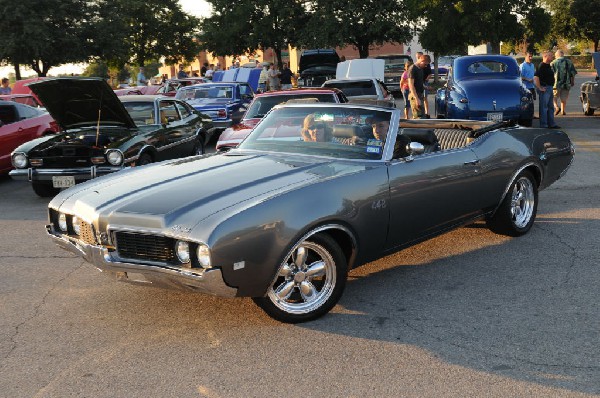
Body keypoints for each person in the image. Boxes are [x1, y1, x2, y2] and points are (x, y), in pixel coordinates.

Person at [534, 50, 560, 129]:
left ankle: (551, 124)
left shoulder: (549, 65)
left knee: (550, 107)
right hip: (545, 89)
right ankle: (544, 125)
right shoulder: (541, 66)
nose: (552, 57)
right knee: (544, 108)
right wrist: (539, 87)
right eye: (551, 55)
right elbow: (536, 77)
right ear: (546, 56)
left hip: (549, 88)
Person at [551, 49, 577, 116]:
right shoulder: (569, 62)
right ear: (563, 55)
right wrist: (572, 81)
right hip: (566, 83)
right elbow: (573, 73)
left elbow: (551, 73)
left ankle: (556, 107)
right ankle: (563, 110)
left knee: (554, 97)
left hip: (556, 84)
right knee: (564, 98)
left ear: (556, 55)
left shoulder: (553, 62)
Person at [408, 53, 428, 119]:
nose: (425, 66)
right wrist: (416, 99)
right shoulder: (412, 69)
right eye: (425, 64)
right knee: (418, 118)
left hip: (420, 94)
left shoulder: (420, 69)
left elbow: (419, 81)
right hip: (415, 95)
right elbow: (411, 85)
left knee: (422, 116)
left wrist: (425, 87)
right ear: (421, 60)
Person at [520, 51, 537, 116]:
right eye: (529, 56)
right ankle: (526, 115)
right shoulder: (522, 65)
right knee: (526, 102)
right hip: (525, 87)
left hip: (532, 86)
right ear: (525, 57)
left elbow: (534, 74)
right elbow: (520, 76)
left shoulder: (532, 65)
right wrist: (527, 79)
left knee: (532, 102)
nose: (530, 58)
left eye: (531, 56)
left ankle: (532, 114)